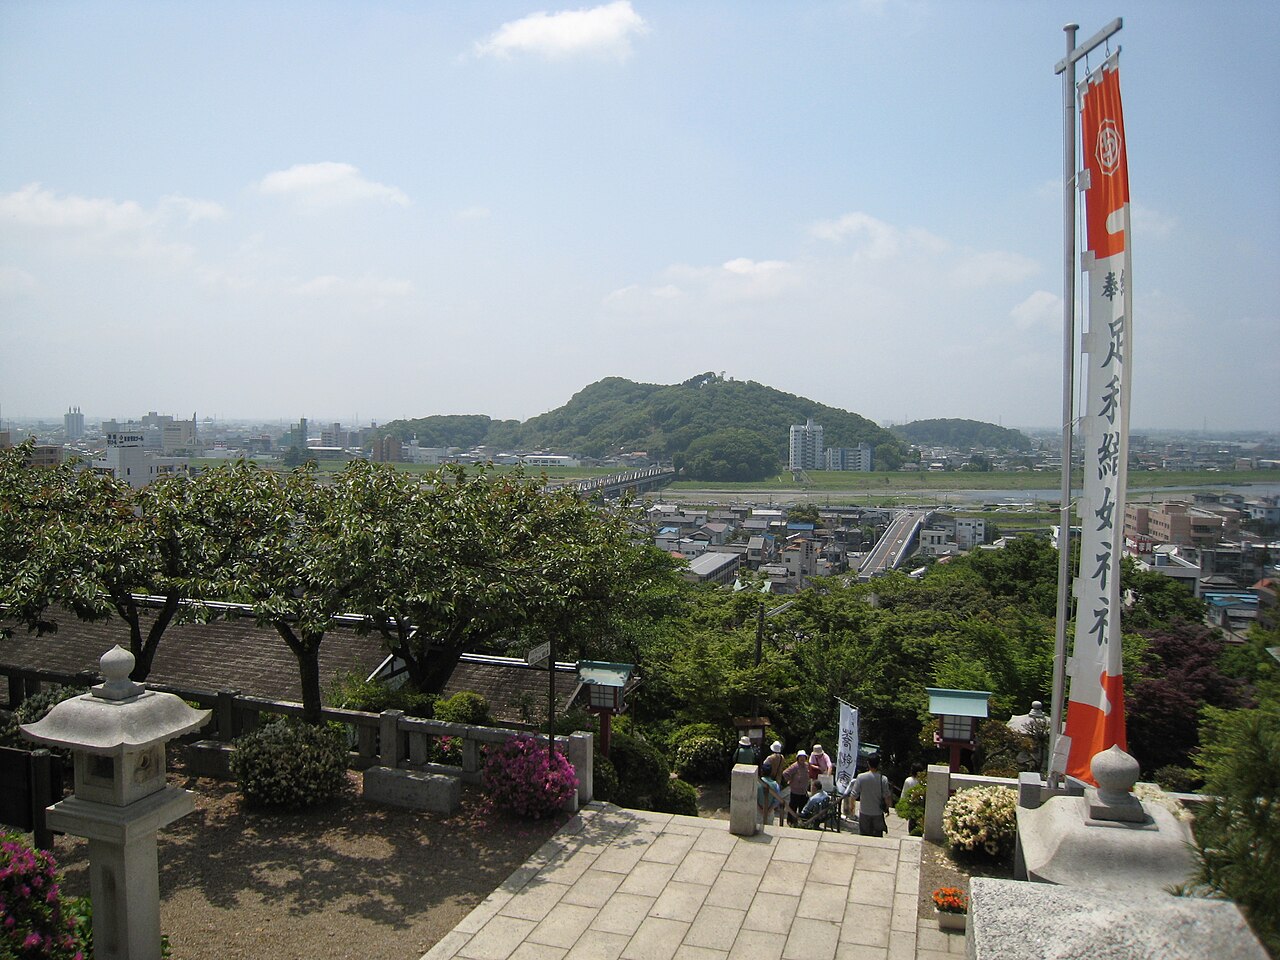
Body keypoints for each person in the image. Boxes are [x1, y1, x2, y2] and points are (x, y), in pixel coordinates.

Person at [851, 753, 892, 837]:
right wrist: (887, 807)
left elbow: (853, 795)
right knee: (877, 836)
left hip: (864, 812)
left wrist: (852, 808)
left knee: (864, 835)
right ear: (878, 764)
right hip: (877, 812)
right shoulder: (883, 779)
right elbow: (887, 796)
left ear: (868, 763)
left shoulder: (861, 777)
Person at [782, 750, 811, 824]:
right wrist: (789, 780)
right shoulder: (795, 766)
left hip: (803, 791)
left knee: (802, 807)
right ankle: (790, 821)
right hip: (795, 790)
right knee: (793, 807)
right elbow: (785, 773)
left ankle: (800, 822)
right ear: (798, 758)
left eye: (803, 757)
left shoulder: (806, 765)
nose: (802, 759)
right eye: (800, 757)